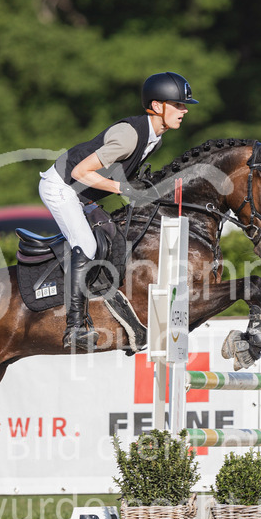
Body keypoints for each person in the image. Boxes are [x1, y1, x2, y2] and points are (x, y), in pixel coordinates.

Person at [39, 71, 198, 352]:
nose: (184, 111)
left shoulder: (155, 138)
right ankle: (74, 326)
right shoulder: (129, 136)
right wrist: (123, 190)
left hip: (80, 193)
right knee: (86, 245)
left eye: (184, 105)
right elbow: (80, 172)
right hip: (61, 186)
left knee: (114, 239)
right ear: (158, 106)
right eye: (178, 105)